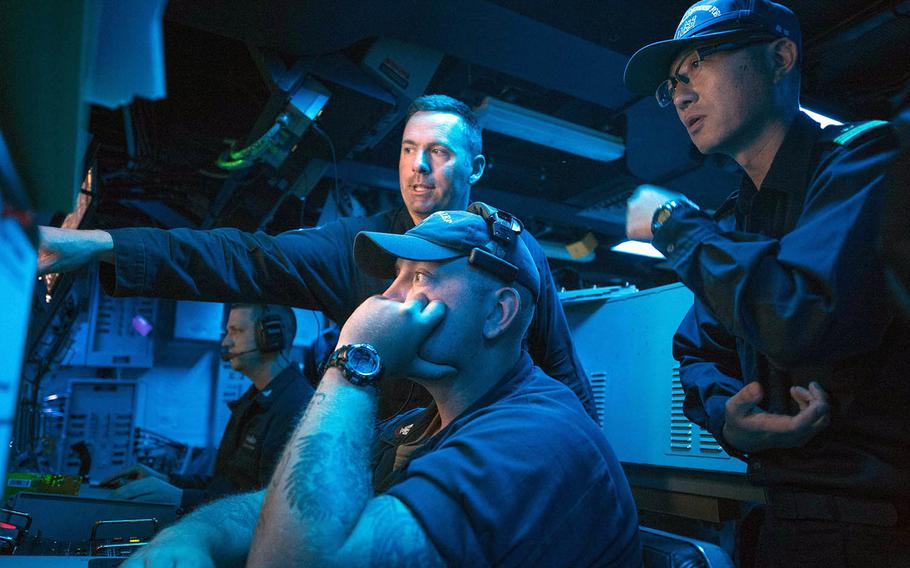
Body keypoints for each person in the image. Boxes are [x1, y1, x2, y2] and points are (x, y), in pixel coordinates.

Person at [124, 208, 641, 567]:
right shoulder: (418, 426)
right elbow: (299, 505)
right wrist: (195, 535)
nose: (386, 300)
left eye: (419, 277)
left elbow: (303, 561)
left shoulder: (536, 436)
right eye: (395, 276)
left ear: (498, 312)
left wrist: (354, 360)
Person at [37, 94, 596, 421]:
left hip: (491, 463)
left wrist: (587, 469)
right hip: (389, 474)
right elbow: (248, 256)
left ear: (474, 169)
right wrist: (100, 244)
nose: (418, 166)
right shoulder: (361, 248)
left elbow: (563, 371)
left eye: (439, 152)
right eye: (407, 150)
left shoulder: (512, 253)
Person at [623, 0, 910, 565]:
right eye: (673, 83)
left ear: (780, 58)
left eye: (698, 66)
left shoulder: (866, 162)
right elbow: (698, 349)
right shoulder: (733, 222)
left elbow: (801, 316)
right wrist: (729, 417)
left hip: (878, 524)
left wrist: (671, 224)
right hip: (782, 512)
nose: (679, 95)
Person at [103, 304, 314, 512]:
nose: (226, 341)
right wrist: (167, 481)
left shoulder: (295, 406)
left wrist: (182, 498)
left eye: (236, 331)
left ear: (271, 337)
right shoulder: (254, 401)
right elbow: (228, 485)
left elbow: (270, 505)